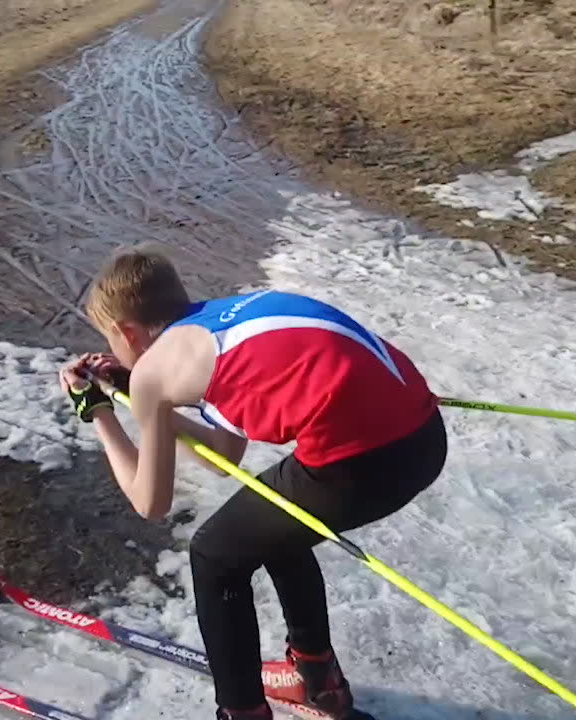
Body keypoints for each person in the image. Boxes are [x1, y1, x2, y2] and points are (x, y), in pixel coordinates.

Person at [58, 247, 448, 720]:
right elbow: (225, 456)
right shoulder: (225, 319)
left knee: (213, 554)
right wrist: (150, 402)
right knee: (271, 521)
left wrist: (98, 410)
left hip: (362, 467)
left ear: (126, 332)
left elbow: (149, 502)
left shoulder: (156, 371)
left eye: (110, 338)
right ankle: (318, 682)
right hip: (425, 440)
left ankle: (242, 711)